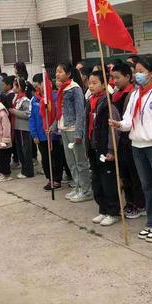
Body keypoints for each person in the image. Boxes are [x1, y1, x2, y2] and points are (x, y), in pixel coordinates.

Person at [110, 56, 152, 243]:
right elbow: (129, 119)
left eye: (141, 71)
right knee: (147, 186)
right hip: (137, 146)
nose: (137, 75)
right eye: (135, 72)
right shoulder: (136, 95)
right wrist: (119, 124)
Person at [85, 71, 121, 226]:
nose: (91, 86)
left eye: (95, 83)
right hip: (93, 148)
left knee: (108, 181)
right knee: (97, 180)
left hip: (104, 149)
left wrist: (111, 150)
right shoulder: (90, 102)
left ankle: (113, 211)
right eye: (90, 83)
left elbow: (114, 130)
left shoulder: (108, 104)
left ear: (104, 84)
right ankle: (103, 209)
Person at [111, 63, 145, 219]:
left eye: (118, 77)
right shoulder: (115, 94)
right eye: (112, 78)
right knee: (124, 174)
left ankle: (139, 204)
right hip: (119, 139)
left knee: (134, 174)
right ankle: (130, 202)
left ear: (128, 77)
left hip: (129, 139)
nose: (115, 81)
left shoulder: (132, 94)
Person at [54, 62, 91, 203]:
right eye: (57, 72)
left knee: (80, 161)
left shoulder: (74, 89)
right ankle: (77, 186)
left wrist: (78, 133)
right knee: (71, 162)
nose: (57, 74)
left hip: (73, 129)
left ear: (69, 73)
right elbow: (60, 111)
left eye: (60, 71)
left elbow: (80, 113)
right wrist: (54, 126)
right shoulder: (62, 89)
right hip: (64, 128)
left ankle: (86, 190)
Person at [10, 78, 33, 178]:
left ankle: (28, 171)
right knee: (20, 150)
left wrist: (13, 111)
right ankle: (24, 170)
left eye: (15, 85)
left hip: (24, 129)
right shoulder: (16, 98)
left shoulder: (25, 100)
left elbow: (28, 114)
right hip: (17, 128)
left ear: (19, 88)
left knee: (25, 151)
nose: (13, 87)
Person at [1, 75, 19, 168]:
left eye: (4, 85)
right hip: (10, 121)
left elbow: (8, 109)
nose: (2, 87)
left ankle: (16, 159)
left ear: (9, 85)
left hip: (11, 121)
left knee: (14, 141)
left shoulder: (10, 96)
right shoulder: (8, 95)